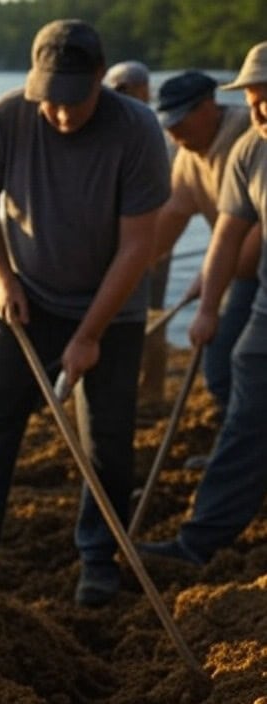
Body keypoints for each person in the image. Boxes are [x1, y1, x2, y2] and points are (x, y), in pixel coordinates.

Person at [0, 19, 170, 607]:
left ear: (101, 77)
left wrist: (90, 334)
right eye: (50, 98)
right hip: (25, 300)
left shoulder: (137, 129)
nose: (61, 114)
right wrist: (5, 278)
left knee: (108, 439)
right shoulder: (7, 117)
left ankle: (98, 556)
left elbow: (139, 245)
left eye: (74, 100)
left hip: (112, 311)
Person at [140, 41, 267, 566]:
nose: (260, 111)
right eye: (256, 100)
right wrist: (208, 306)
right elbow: (224, 235)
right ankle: (199, 542)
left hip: (253, 283)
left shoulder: (237, 134)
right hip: (259, 297)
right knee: (240, 377)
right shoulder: (248, 150)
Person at [151, 70, 260, 417]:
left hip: (253, 267)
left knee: (229, 359)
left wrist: (211, 289)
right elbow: (169, 219)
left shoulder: (250, 133)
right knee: (220, 364)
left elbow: (253, 236)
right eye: (168, 124)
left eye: (181, 121)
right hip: (233, 265)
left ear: (209, 106)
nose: (174, 133)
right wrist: (131, 267)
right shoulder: (186, 154)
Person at [104, 59, 171, 403]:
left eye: (131, 89)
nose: (125, 95)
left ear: (146, 91)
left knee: (150, 315)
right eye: (118, 89)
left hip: (154, 241)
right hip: (114, 246)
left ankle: (153, 388)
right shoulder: (112, 129)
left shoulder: (157, 131)